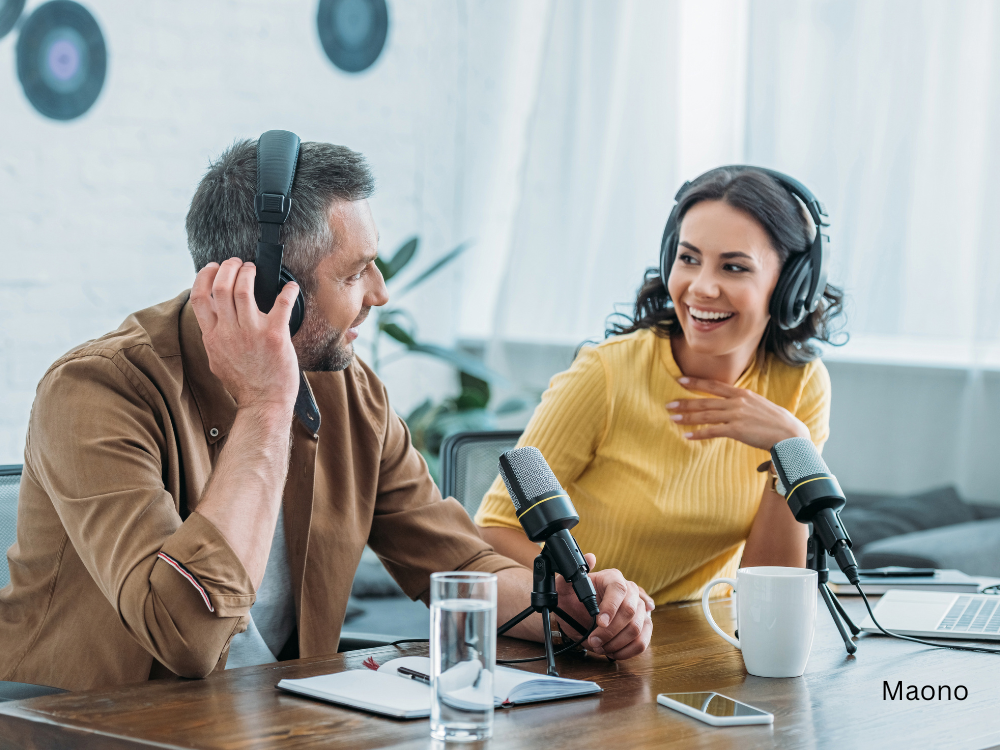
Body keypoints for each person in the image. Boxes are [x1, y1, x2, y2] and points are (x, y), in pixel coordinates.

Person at [0, 137, 651, 691]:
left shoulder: (349, 393)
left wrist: (567, 610)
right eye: (355, 273)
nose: (381, 293)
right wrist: (265, 404)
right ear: (266, 289)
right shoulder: (97, 392)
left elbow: (458, 568)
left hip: (281, 722)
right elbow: (186, 637)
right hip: (87, 729)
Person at [476, 167, 844, 613]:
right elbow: (493, 530)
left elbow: (771, 598)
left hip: (703, 644)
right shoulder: (606, 374)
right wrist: (596, 593)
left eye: (733, 267)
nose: (701, 287)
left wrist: (791, 450)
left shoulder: (800, 384)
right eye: (688, 259)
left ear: (790, 285)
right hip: (592, 634)